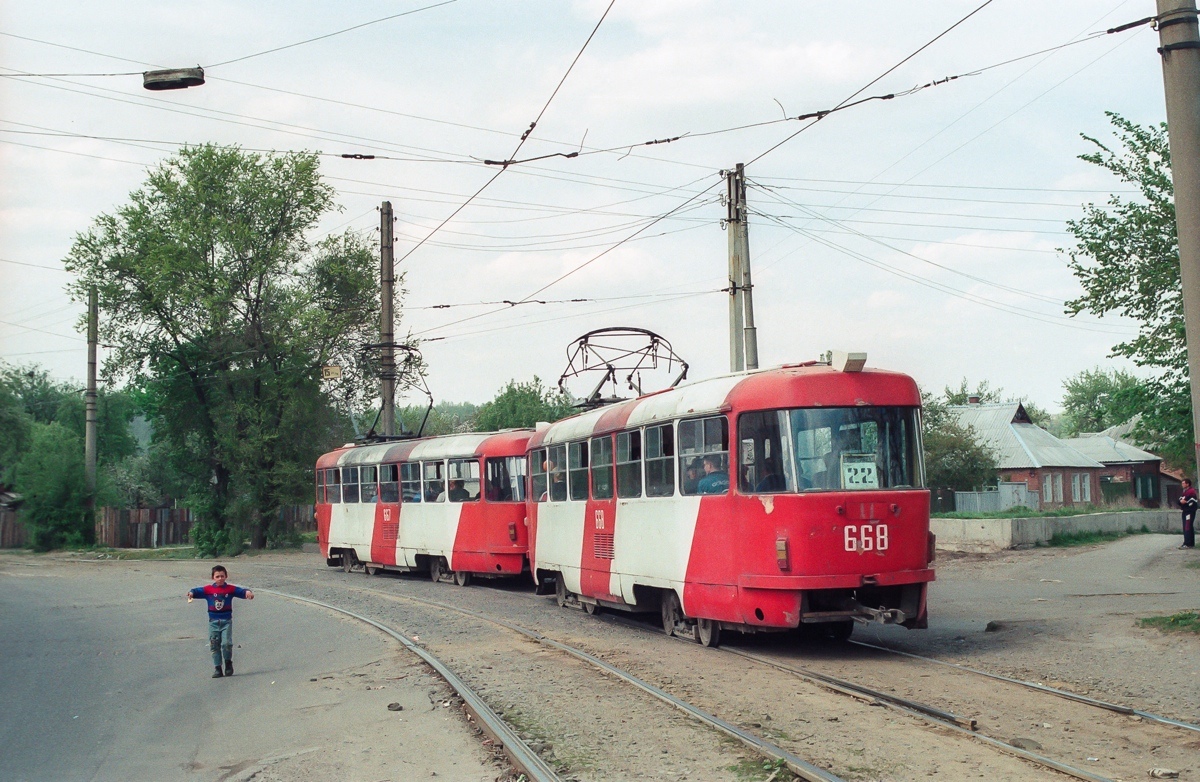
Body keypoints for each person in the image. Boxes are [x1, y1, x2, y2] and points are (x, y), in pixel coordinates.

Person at [187, 565, 254, 678]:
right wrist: (191, 593)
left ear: (226, 576)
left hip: (226, 621)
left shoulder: (230, 589)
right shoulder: (208, 590)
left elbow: (241, 591)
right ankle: (218, 668)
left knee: (226, 644)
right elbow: (196, 591)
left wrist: (248, 593)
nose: (220, 578)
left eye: (222, 576)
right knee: (214, 645)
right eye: (217, 576)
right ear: (213, 577)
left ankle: (228, 663)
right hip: (213, 622)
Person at [1179, 478, 1198, 550]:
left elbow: (1186, 501)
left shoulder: (1191, 492)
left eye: (1183, 483)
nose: (1182, 485)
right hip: (1185, 511)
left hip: (1189, 512)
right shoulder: (1185, 492)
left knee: (1187, 526)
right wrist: (1182, 501)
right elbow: (1180, 500)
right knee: (1188, 526)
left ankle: (1187, 543)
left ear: (1188, 484)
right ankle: (1190, 543)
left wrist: (1183, 501)